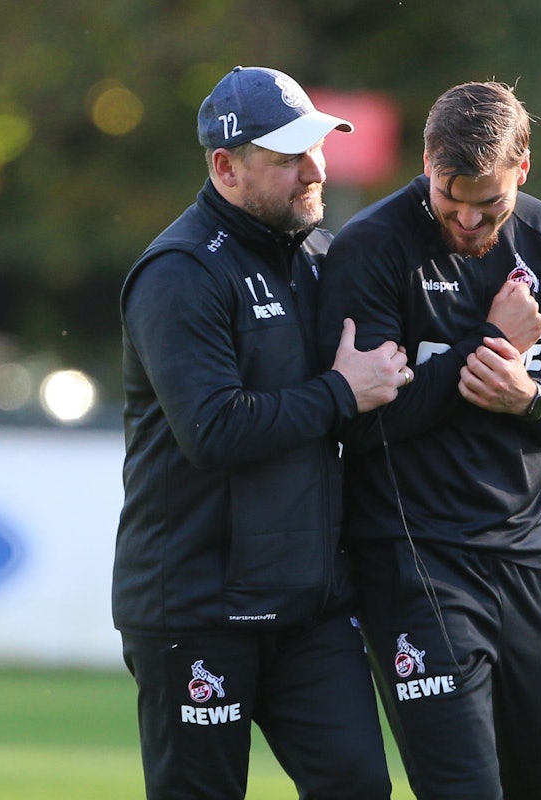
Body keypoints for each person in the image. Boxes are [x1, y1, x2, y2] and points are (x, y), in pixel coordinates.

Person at [114, 66, 412, 800]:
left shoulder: (320, 256)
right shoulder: (178, 272)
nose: (315, 170)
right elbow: (212, 429)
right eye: (288, 156)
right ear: (226, 168)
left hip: (310, 606)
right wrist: (341, 392)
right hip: (197, 606)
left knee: (358, 786)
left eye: (316, 148)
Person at [317, 81, 541, 800]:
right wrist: (489, 343)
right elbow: (360, 423)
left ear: (523, 169)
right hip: (412, 559)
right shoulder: (372, 248)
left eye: (490, 202)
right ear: (425, 161)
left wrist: (528, 396)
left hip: (524, 559)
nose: (469, 218)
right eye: (450, 196)